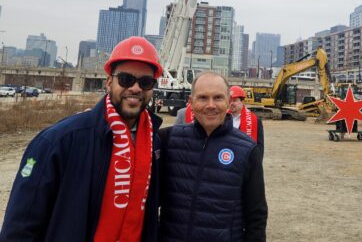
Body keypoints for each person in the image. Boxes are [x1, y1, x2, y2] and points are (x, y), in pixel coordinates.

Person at [0, 36, 164, 242]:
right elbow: (21, 224)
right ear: (109, 82)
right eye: (126, 79)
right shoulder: (60, 140)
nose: (135, 88)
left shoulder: (153, 143)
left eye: (145, 82)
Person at [159, 71, 267, 242]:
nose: (211, 105)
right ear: (191, 102)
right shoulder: (168, 140)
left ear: (228, 102)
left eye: (218, 97)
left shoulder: (247, 150)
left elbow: (256, 217)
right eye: (202, 98)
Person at [229, 85, 264, 157]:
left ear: (242, 101)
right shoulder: (223, 118)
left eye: (234, 100)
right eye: (230, 100)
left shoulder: (256, 121)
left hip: (244, 161)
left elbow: (259, 147)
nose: (231, 103)